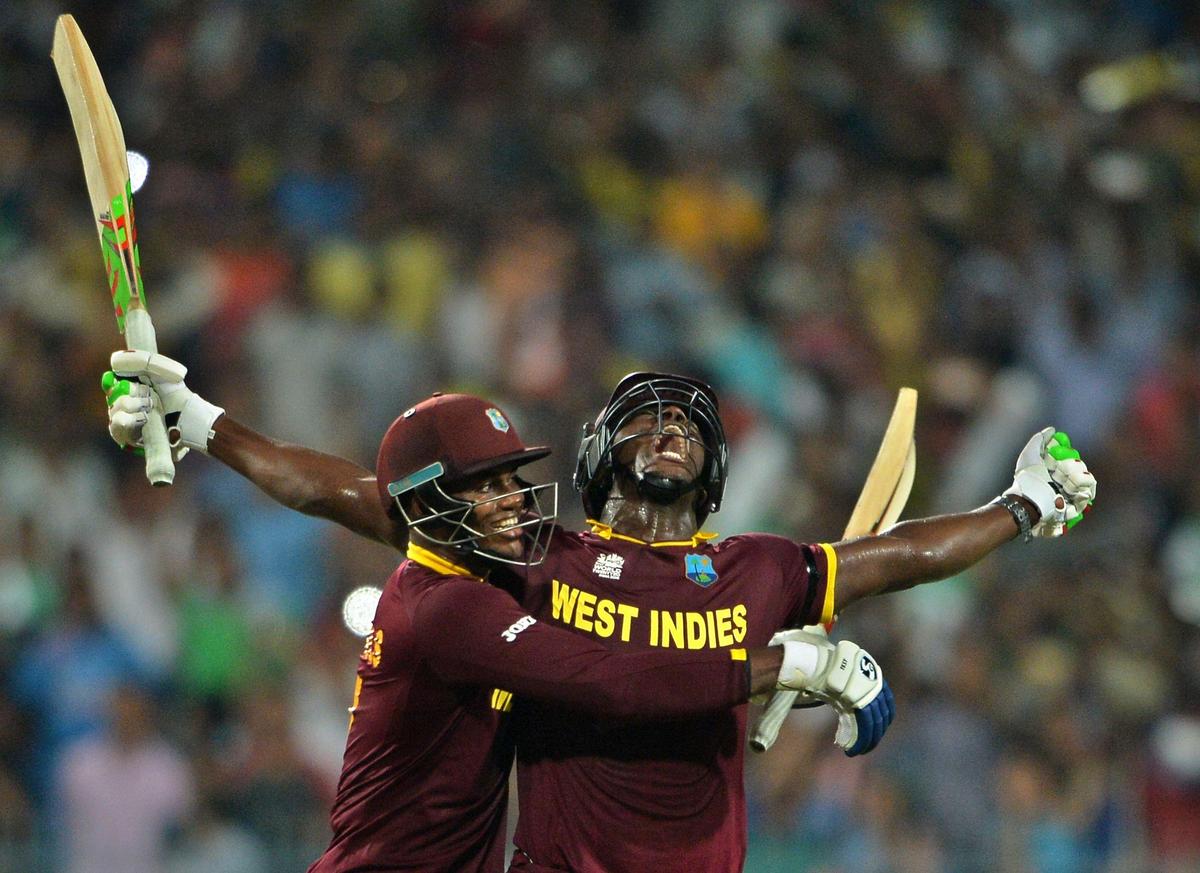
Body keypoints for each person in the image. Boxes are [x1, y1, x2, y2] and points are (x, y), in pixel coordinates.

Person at [106, 357, 1095, 872]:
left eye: (688, 423)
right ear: (597, 454)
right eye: (646, 419)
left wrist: (1022, 506)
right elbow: (354, 493)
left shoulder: (755, 568)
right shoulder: (531, 551)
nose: (669, 429)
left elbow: (902, 555)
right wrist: (204, 425)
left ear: (714, 467)